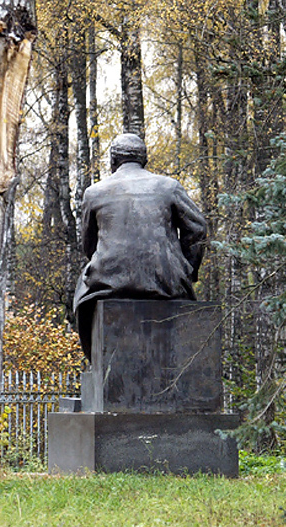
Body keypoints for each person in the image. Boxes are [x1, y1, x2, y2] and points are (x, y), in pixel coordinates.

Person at [74, 133, 207, 359]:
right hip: (166, 281)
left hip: (110, 282)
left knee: (81, 291)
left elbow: (89, 246)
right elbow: (198, 228)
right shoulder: (169, 187)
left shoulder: (94, 193)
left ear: (113, 161)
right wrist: (187, 270)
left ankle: (97, 362)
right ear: (144, 160)